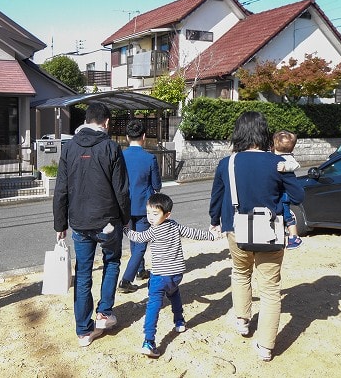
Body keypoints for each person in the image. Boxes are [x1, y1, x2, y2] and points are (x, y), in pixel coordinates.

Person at [209, 111, 304, 361]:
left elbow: (217, 197)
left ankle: (242, 321)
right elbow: (298, 197)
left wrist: (213, 221)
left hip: (236, 229)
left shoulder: (227, 163)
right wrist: (288, 169)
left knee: (240, 273)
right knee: (271, 289)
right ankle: (266, 346)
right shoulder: (277, 163)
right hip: (270, 232)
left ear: (238, 132)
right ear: (265, 134)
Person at [53, 102, 131, 347]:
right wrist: (126, 220)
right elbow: (121, 190)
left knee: (83, 273)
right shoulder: (110, 147)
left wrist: (60, 224)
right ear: (106, 122)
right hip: (108, 221)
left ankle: (84, 331)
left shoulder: (69, 148)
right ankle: (104, 313)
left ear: (86, 120)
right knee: (112, 262)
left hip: (78, 222)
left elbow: (61, 189)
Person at [124, 193, 219, 358]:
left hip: (160, 275)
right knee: (174, 292)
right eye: (148, 213)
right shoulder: (175, 225)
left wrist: (125, 229)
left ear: (167, 214)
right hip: (176, 275)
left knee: (153, 305)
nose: (151, 218)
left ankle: (149, 341)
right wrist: (211, 236)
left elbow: (138, 237)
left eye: (155, 214)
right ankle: (179, 321)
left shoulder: (152, 231)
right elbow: (193, 233)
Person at [118, 119, 162, 293]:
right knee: (142, 244)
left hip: (125, 206)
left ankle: (140, 270)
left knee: (133, 238)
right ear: (144, 136)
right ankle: (125, 280)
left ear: (127, 137)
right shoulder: (149, 158)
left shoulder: (120, 156)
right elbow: (157, 185)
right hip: (144, 206)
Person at [273, 130, 302, 250]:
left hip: (284, 194)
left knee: (287, 215)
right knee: (285, 214)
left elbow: (296, 165)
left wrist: (286, 167)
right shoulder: (275, 156)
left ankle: (294, 237)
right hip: (280, 192)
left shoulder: (288, 158)